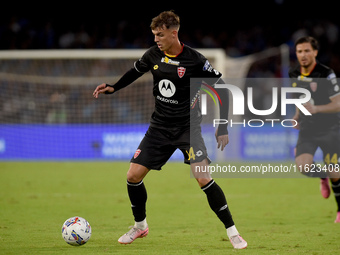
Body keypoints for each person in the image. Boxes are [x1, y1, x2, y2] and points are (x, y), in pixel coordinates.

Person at [93, 11, 247, 249]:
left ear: (173, 33)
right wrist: (114, 87)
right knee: (132, 176)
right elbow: (136, 71)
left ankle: (233, 232)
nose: (156, 39)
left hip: (188, 128)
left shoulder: (195, 60)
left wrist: (223, 125)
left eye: (160, 34)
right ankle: (140, 226)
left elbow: (223, 91)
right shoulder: (152, 54)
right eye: (154, 34)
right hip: (159, 127)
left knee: (202, 176)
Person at [289, 36, 340, 222]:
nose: (303, 55)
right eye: (299, 51)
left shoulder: (327, 74)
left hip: (330, 128)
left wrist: (317, 108)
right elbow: (299, 97)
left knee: (336, 172)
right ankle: (322, 176)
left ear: (315, 52)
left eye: (307, 51)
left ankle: (339, 211)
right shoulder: (293, 73)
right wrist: (296, 115)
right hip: (308, 129)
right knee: (303, 166)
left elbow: (338, 104)